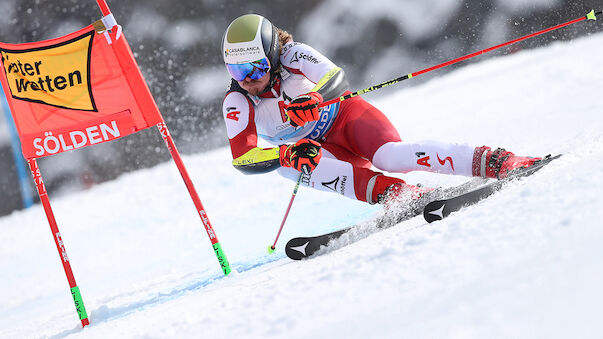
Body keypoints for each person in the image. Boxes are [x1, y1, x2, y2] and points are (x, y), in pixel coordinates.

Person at [221, 14, 540, 206]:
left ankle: (495, 160)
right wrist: (285, 154)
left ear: (273, 53)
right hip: (317, 150)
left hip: (346, 121)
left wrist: (314, 100)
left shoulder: (294, 56)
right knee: (292, 167)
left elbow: (336, 79)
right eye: (237, 72)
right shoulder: (238, 102)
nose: (248, 80)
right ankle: (399, 196)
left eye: (255, 68)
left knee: (390, 157)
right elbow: (244, 157)